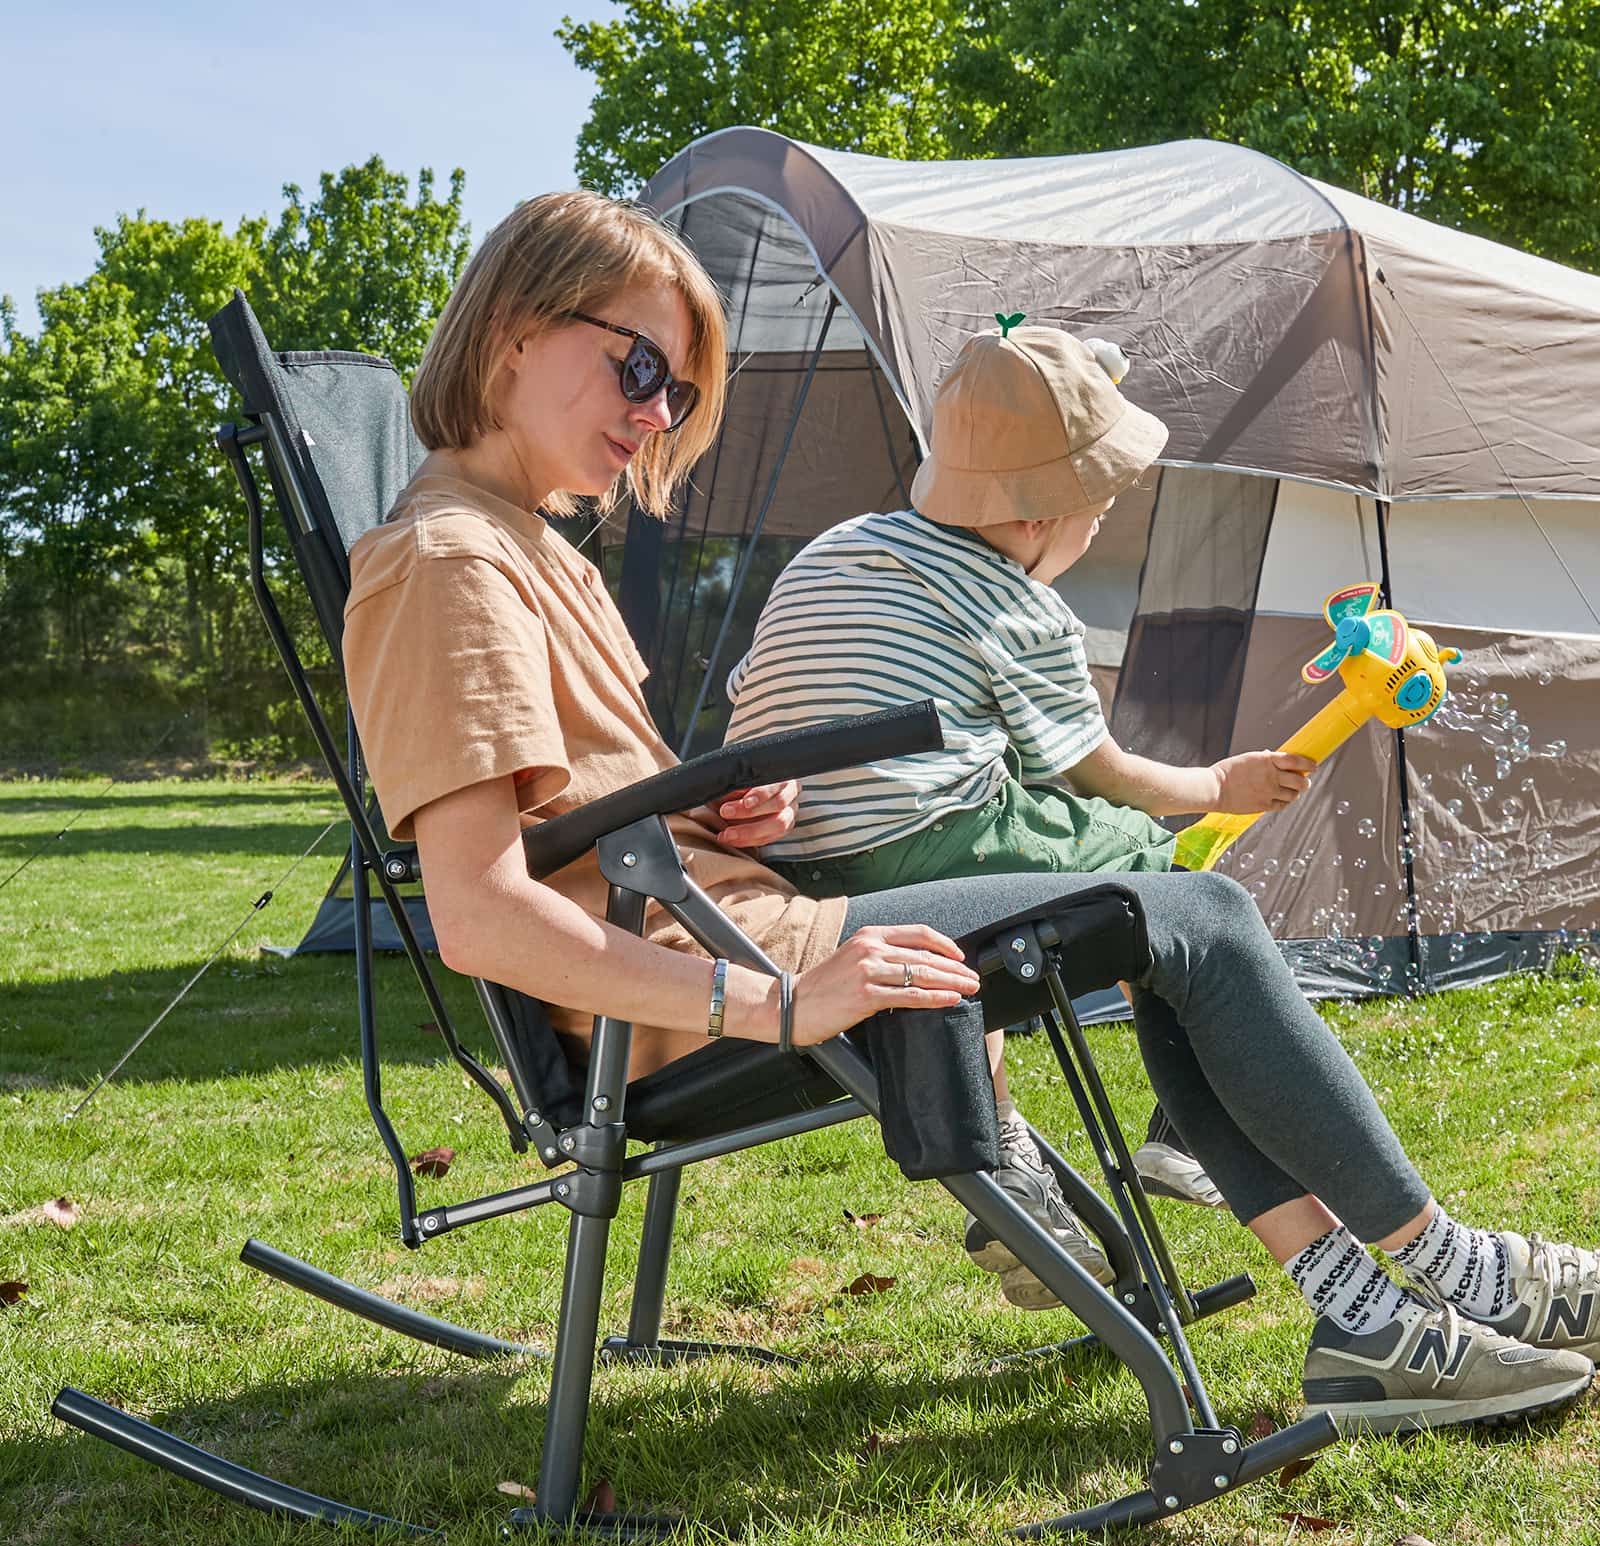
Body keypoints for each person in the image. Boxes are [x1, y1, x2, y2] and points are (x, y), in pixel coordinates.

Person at [341, 190, 1600, 1439]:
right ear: (512, 327)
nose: (656, 413)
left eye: (674, 389)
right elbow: (480, 914)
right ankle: (1447, 1276)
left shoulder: (533, 548)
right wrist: (779, 1002)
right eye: (637, 366)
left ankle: (1366, 1321)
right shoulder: (447, 563)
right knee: (1192, 911)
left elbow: (578, 830)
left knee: (1168, 931)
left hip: (752, 922)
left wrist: (716, 818)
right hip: (727, 989)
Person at [723, 323, 1311, 1228]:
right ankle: (1180, 1136)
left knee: (980, 933)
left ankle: (1006, 1154)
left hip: (793, 872)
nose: (1096, 533)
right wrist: (1217, 787)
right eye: (1097, 515)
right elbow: (1103, 775)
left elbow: (761, 696)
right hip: (922, 834)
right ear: (1040, 514)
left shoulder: (834, 551)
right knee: (1158, 873)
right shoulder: (1017, 604)